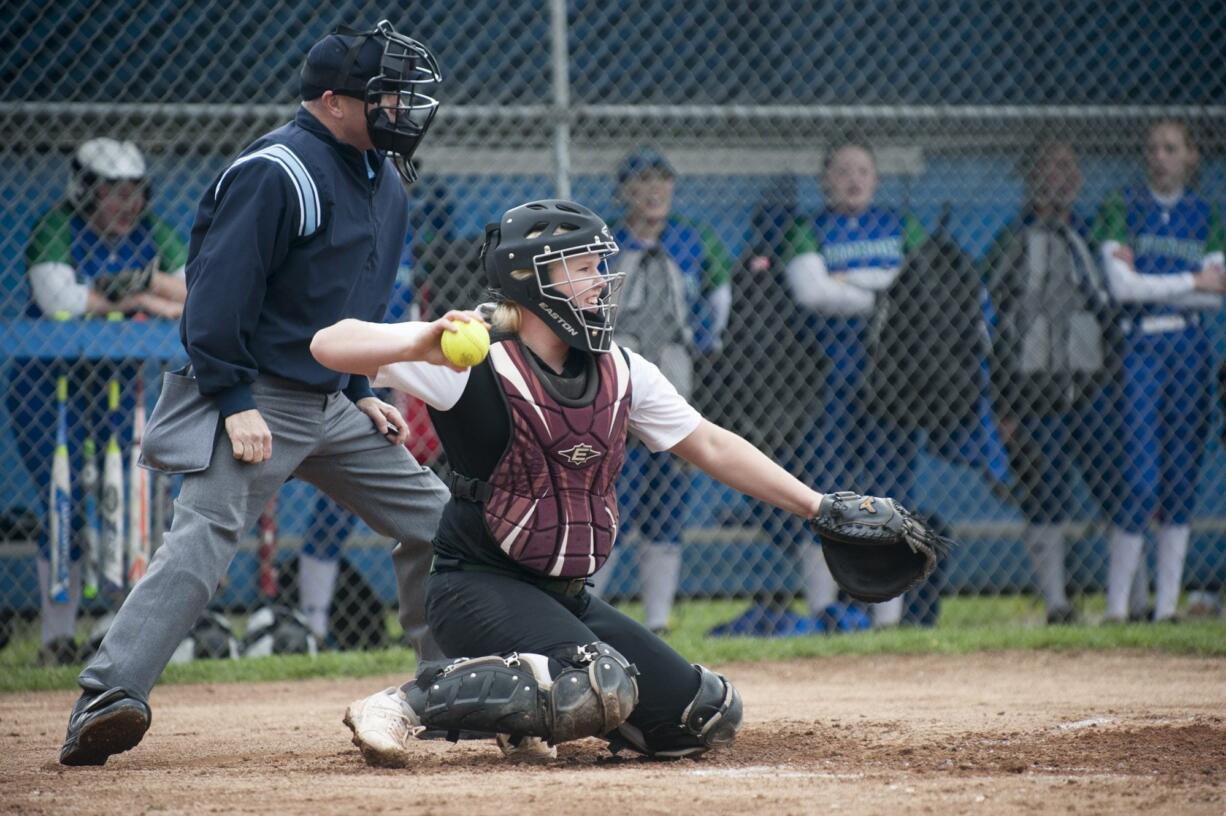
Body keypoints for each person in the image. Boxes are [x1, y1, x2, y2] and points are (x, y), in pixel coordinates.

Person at [310, 198, 933, 767]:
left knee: (700, 716)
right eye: (580, 269)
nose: (600, 282)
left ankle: (522, 704)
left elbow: (711, 443)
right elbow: (328, 344)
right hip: (473, 585)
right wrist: (425, 340)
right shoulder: (472, 361)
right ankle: (402, 703)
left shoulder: (621, 369)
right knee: (593, 680)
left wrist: (819, 506)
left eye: (597, 266)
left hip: (562, 594)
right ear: (530, 280)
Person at [58, 21, 452, 766]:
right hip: (256, 393)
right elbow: (215, 298)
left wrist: (360, 386)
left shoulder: (385, 179)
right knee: (204, 535)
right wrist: (234, 400)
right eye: (384, 96)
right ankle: (106, 697)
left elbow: (352, 307)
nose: (401, 108)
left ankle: (447, 687)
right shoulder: (278, 170)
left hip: (331, 400)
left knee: (439, 521)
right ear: (332, 102)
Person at [712, 140, 925, 635]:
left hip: (894, 377)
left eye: (863, 170)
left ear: (876, 178)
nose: (853, 179)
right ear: (825, 180)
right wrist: (884, 290)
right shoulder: (809, 229)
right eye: (842, 170)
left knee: (891, 483)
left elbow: (920, 288)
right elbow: (812, 292)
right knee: (824, 488)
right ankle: (823, 610)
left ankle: (889, 618)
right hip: (828, 378)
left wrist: (848, 280)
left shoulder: (902, 226)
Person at [10, 137, 187, 666]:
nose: (125, 204)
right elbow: (60, 302)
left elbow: (193, 293)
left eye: (133, 192)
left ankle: (120, 633)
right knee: (60, 502)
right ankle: (55, 638)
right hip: (47, 387)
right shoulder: (57, 227)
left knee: (128, 500)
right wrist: (137, 300)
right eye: (112, 192)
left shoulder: (155, 234)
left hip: (117, 385)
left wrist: (145, 281)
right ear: (85, 193)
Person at [588, 148, 733, 634]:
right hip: (614, 387)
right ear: (624, 190)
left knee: (668, 503)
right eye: (643, 181)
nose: (654, 191)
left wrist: (707, 340)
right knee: (611, 502)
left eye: (663, 181)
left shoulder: (692, 239)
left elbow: (719, 296)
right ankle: (583, 612)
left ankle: (659, 622)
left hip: (674, 381)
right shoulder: (604, 241)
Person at [1092, 120, 1226, 624]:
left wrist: (1152, 278)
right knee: (1140, 479)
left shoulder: (1203, 213)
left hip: (1190, 345)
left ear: (1192, 156)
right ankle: (1117, 608)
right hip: (1140, 345)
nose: (1160, 157)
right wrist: (1193, 279)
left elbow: (1217, 295)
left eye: (1172, 148)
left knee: (1180, 479)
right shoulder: (1122, 205)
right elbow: (1122, 289)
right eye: (1152, 148)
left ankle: (1167, 607)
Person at [985, 138, 1112, 624]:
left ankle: (1134, 604)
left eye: (1069, 167)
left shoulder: (1088, 234)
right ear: (1031, 178)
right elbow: (990, 325)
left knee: (1118, 488)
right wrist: (1002, 405)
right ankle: (1057, 603)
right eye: (1051, 168)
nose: (1064, 178)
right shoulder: (1012, 237)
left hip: (1090, 385)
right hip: (1033, 392)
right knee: (1045, 490)